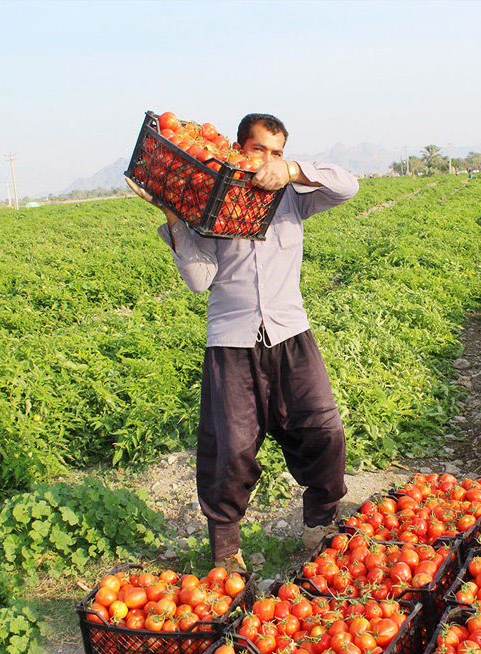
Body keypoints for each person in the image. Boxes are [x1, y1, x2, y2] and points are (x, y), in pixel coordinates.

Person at [125, 113, 358, 573]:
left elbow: (347, 185)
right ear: (239, 149)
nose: (267, 160)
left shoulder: (292, 198)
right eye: (259, 150)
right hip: (230, 341)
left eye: (277, 152)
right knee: (229, 447)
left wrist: (290, 172)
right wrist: (173, 215)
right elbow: (199, 279)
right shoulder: (209, 202)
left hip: (291, 333)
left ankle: (320, 522)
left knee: (323, 429)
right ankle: (227, 551)